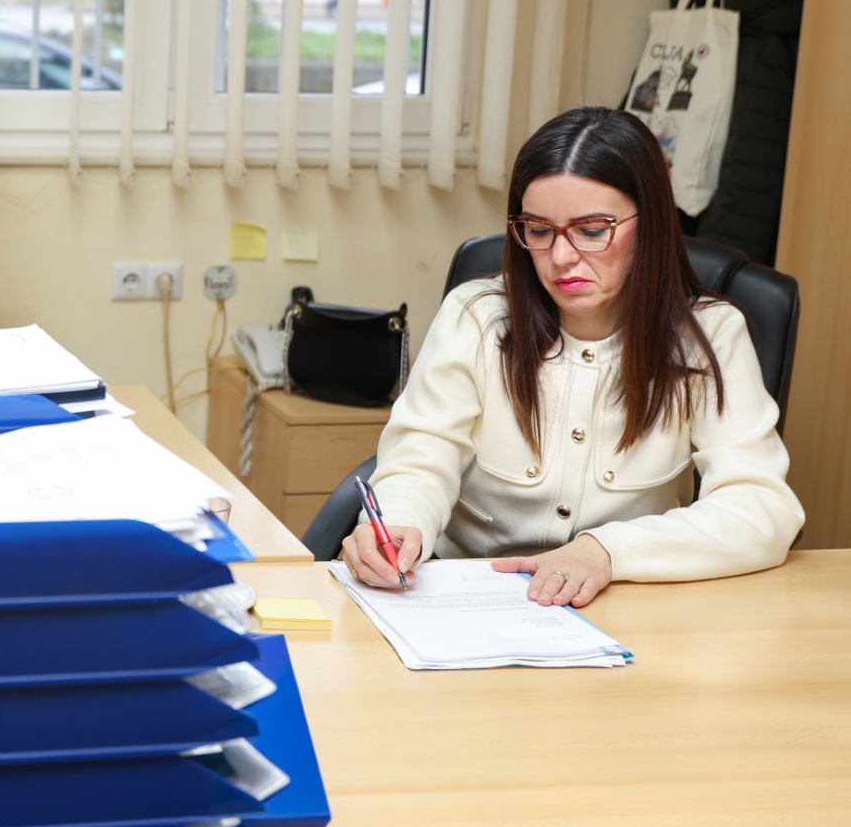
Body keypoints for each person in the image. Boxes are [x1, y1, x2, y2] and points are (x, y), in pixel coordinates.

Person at [341, 106, 803, 607]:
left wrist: (607, 550)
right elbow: (419, 461)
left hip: (626, 605)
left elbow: (761, 508)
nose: (561, 257)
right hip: (468, 599)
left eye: (592, 230)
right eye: (539, 230)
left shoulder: (709, 334)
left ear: (650, 224)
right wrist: (399, 523)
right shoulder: (475, 316)